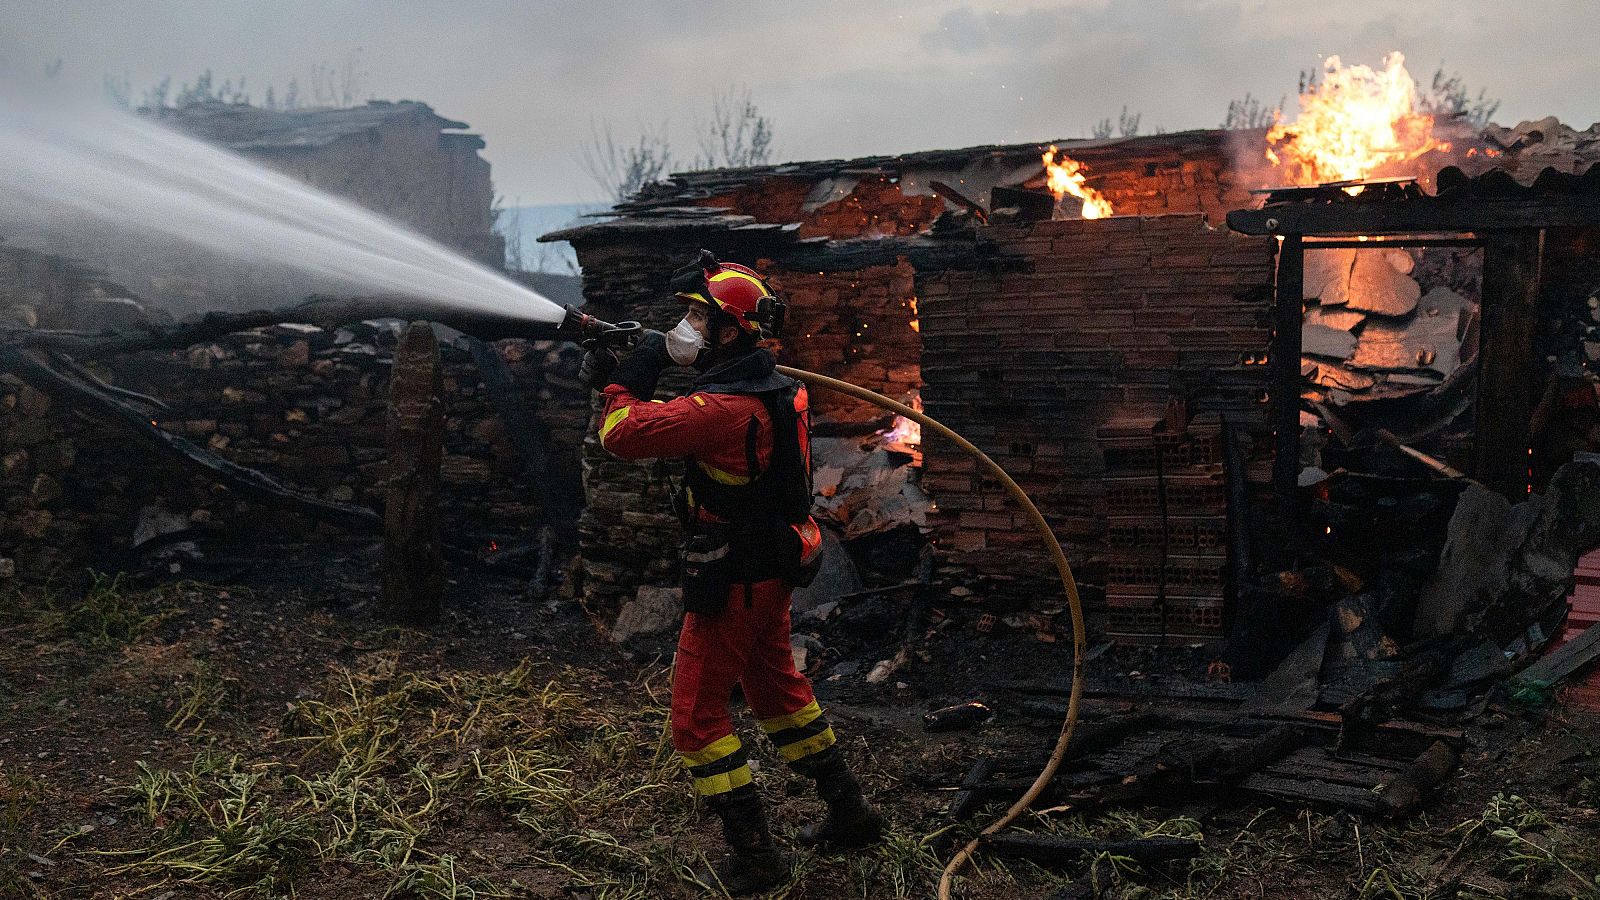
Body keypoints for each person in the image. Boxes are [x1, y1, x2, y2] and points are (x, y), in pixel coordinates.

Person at [581, 250, 883, 893]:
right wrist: (643, 367)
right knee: (777, 691)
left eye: (699, 318)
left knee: (695, 720)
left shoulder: (723, 410)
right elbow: (698, 407)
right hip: (774, 563)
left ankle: (755, 855)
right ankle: (851, 813)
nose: (687, 328)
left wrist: (630, 377)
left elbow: (620, 434)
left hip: (738, 574)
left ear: (730, 332)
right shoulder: (776, 388)